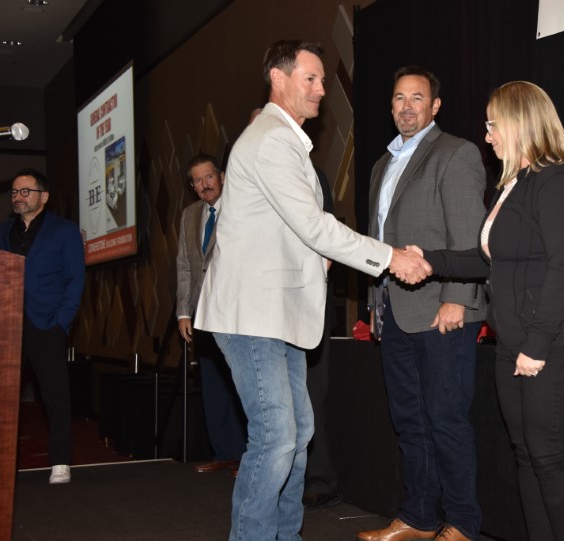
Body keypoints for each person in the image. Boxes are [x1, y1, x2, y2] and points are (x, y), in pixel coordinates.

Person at [193, 40, 430, 541]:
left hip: (279, 314)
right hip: (252, 315)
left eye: (323, 79)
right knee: (277, 436)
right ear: (278, 79)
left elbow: (291, 230)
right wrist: (390, 257)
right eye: (312, 78)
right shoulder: (270, 140)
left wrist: (319, 253)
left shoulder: (286, 142)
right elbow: (314, 225)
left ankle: (284, 535)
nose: (322, 88)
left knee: (297, 434)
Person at [415, 81, 564, 541]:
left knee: (549, 452)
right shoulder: (515, 185)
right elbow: (491, 259)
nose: (488, 136)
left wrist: (537, 344)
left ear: (520, 123)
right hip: (514, 342)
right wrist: (430, 260)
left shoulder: (557, 181)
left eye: (493, 125)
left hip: (556, 340)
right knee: (526, 453)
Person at [356, 66, 488, 541]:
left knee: (446, 420)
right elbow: (379, 241)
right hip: (395, 313)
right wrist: (376, 305)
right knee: (409, 420)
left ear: (435, 106)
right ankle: (418, 517)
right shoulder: (381, 165)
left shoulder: (456, 153)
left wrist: (458, 299)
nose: (406, 106)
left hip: (441, 312)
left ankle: (464, 523)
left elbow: (470, 239)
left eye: (417, 97)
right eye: (398, 98)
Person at [0, 168, 85, 485]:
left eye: (25, 191)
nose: (18, 197)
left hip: (47, 323)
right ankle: (0, 462)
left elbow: (75, 280)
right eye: (14, 192)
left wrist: (61, 322)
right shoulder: (1, 232)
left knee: (55, 396)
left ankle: (60, 461)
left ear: (43, 196)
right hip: (7, 326)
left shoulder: (65, 230)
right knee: (2, 398)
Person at [176, 154, 246, 476]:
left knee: (239, 381)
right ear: (192, 186)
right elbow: (185, 265)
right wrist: (183, 312)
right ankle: (223, 453)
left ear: (221, 176)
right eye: (197, 180)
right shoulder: (190, 214)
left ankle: (245, 455)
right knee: (213, 383)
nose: (205, 184)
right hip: (202, 312)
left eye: (209, 177)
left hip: (235, 309)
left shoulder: (241, 204)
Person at [302, 168, 343, 511]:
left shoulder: (309, 174)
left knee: (313, 397)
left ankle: (320, 480)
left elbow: (324, 234)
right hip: (272, 311)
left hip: (309, 307)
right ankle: (291, 478)